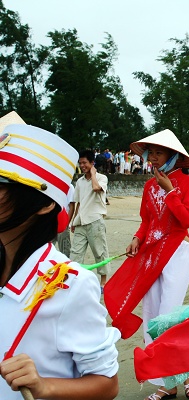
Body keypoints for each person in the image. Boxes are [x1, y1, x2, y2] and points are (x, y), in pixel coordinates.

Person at [0, 122, 120, 399]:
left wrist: (44, 386)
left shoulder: (71, 286)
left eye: (2, 185)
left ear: (44, 205)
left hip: (95, 224)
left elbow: (107, 384)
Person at [103, 129, 189, 399]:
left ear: (173, 156)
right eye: (151, 153)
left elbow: (186, 220)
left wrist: (170, 191)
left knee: (168, 318)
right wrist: (136, 238)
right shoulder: (147, 186)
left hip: (177, 253)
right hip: (150, 254)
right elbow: (147, 221)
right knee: (151, 318)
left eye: (159, 152)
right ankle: (167, 383)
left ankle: (186, 371)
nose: (153, 158)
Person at [70, 149, 111, 290]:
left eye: (85, 163)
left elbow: (96, 188)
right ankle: (72, 281)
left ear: (92, 163)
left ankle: (103, 282)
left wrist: (93, 173)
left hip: (95, 221)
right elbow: (78, 202)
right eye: (80, 163)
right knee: (75, 253)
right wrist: (73, 221)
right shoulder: (80, 182)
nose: (82, 166)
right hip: (81, 222)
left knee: (100, 252)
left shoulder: (101, 178)